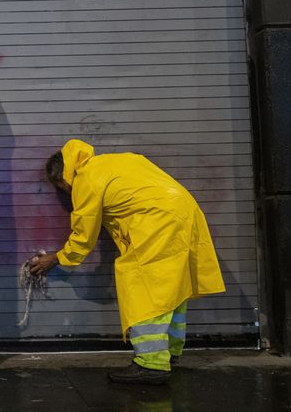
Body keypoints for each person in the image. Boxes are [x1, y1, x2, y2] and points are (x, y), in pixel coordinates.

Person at [29, 139, 226, 384]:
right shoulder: (119, 160)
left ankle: (151, 365)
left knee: (144, 292)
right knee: (172, 289)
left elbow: (83, 237)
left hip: (157, 222)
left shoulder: (85, 180)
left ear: (64, 177)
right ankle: (168, 352)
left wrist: (56, 259)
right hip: (185, 213)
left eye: (62, 188)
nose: (66, 192)